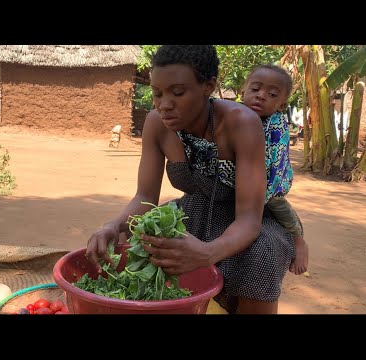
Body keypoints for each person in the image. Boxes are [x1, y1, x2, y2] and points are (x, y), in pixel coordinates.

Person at [85, 45, 295, 314]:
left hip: (248, 221)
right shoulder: (156, 124)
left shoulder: (242, 122)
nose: (164, 105)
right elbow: (144, 197)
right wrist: (112, 226)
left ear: (209, 86)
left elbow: (248, 220)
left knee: (259, 256)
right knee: (151, 245)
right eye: (157, 93)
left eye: (178, 92)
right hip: (191, 213)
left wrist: (208, 252)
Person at [242, 64, 308, 275]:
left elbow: (276, 162)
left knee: (279, 206)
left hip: (273, 180)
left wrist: (264, 193)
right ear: (244, 90)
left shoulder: (277, 125)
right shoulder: (234, 114)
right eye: (255, 89)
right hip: (245, 175)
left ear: (281, 104)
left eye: (271, 94)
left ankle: (298, 240)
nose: (261, 96)